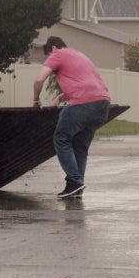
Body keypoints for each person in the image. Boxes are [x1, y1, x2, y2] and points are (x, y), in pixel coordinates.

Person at [31, 36, 111, 199]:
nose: (49, 61)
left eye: (48, 57)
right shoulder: (79, 55)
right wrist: (61, 97)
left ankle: (74, 182)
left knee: (61, 138)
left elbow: (39, 80)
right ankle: (76, 188)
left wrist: (36, 99)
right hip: (102, 105)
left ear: (53, 48)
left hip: (83, 103)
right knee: (80, 147)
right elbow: (85, 82)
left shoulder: (57, 54)